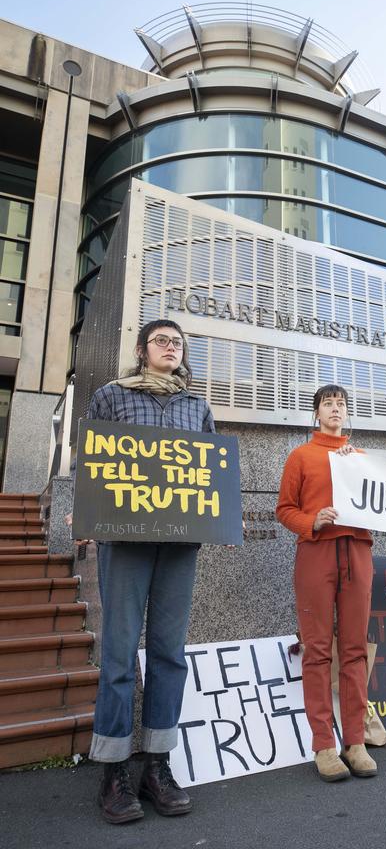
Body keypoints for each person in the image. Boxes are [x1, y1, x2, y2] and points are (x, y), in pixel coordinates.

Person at [84, 319, 216, 824]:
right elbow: (90, 458)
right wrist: (82, 510)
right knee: (118, 654)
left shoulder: (196, 407)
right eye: (162, 340)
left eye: (177, 343)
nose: (170, 348)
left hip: (179, 544)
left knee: (168, 653)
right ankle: (113, 770)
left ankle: (156, 763)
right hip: (125, 539)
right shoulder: (111, 397)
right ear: (142, 351)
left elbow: (210, 472)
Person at [276, 384, 377, 782]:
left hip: (358, 552)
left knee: (354, 649)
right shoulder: (301, 456)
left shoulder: (362, 458)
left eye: (341, 404)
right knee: (317, 649)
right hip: (316, 553)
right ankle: (324, 745)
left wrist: (360, 472)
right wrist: (310, 521)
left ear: (348, 413)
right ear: (316, 413)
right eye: (328, 404)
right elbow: (284, 509)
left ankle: (355, 742)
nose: (335, 409)